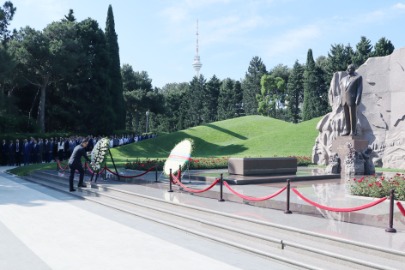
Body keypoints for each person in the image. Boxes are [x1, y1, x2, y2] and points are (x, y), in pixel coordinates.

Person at [339, 64, 363, 136]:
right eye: (347, 68)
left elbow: (359, 89)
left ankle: (353, 131)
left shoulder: (358, 78)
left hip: (352, 99)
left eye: (349, 69)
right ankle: (347, 130)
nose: (348, 70)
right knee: (346, 116)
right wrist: (341, 100)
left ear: (353, 69)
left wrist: (358, 99)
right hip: (344, 100)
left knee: (353, 116)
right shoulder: (343, 79)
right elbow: (342, 91)